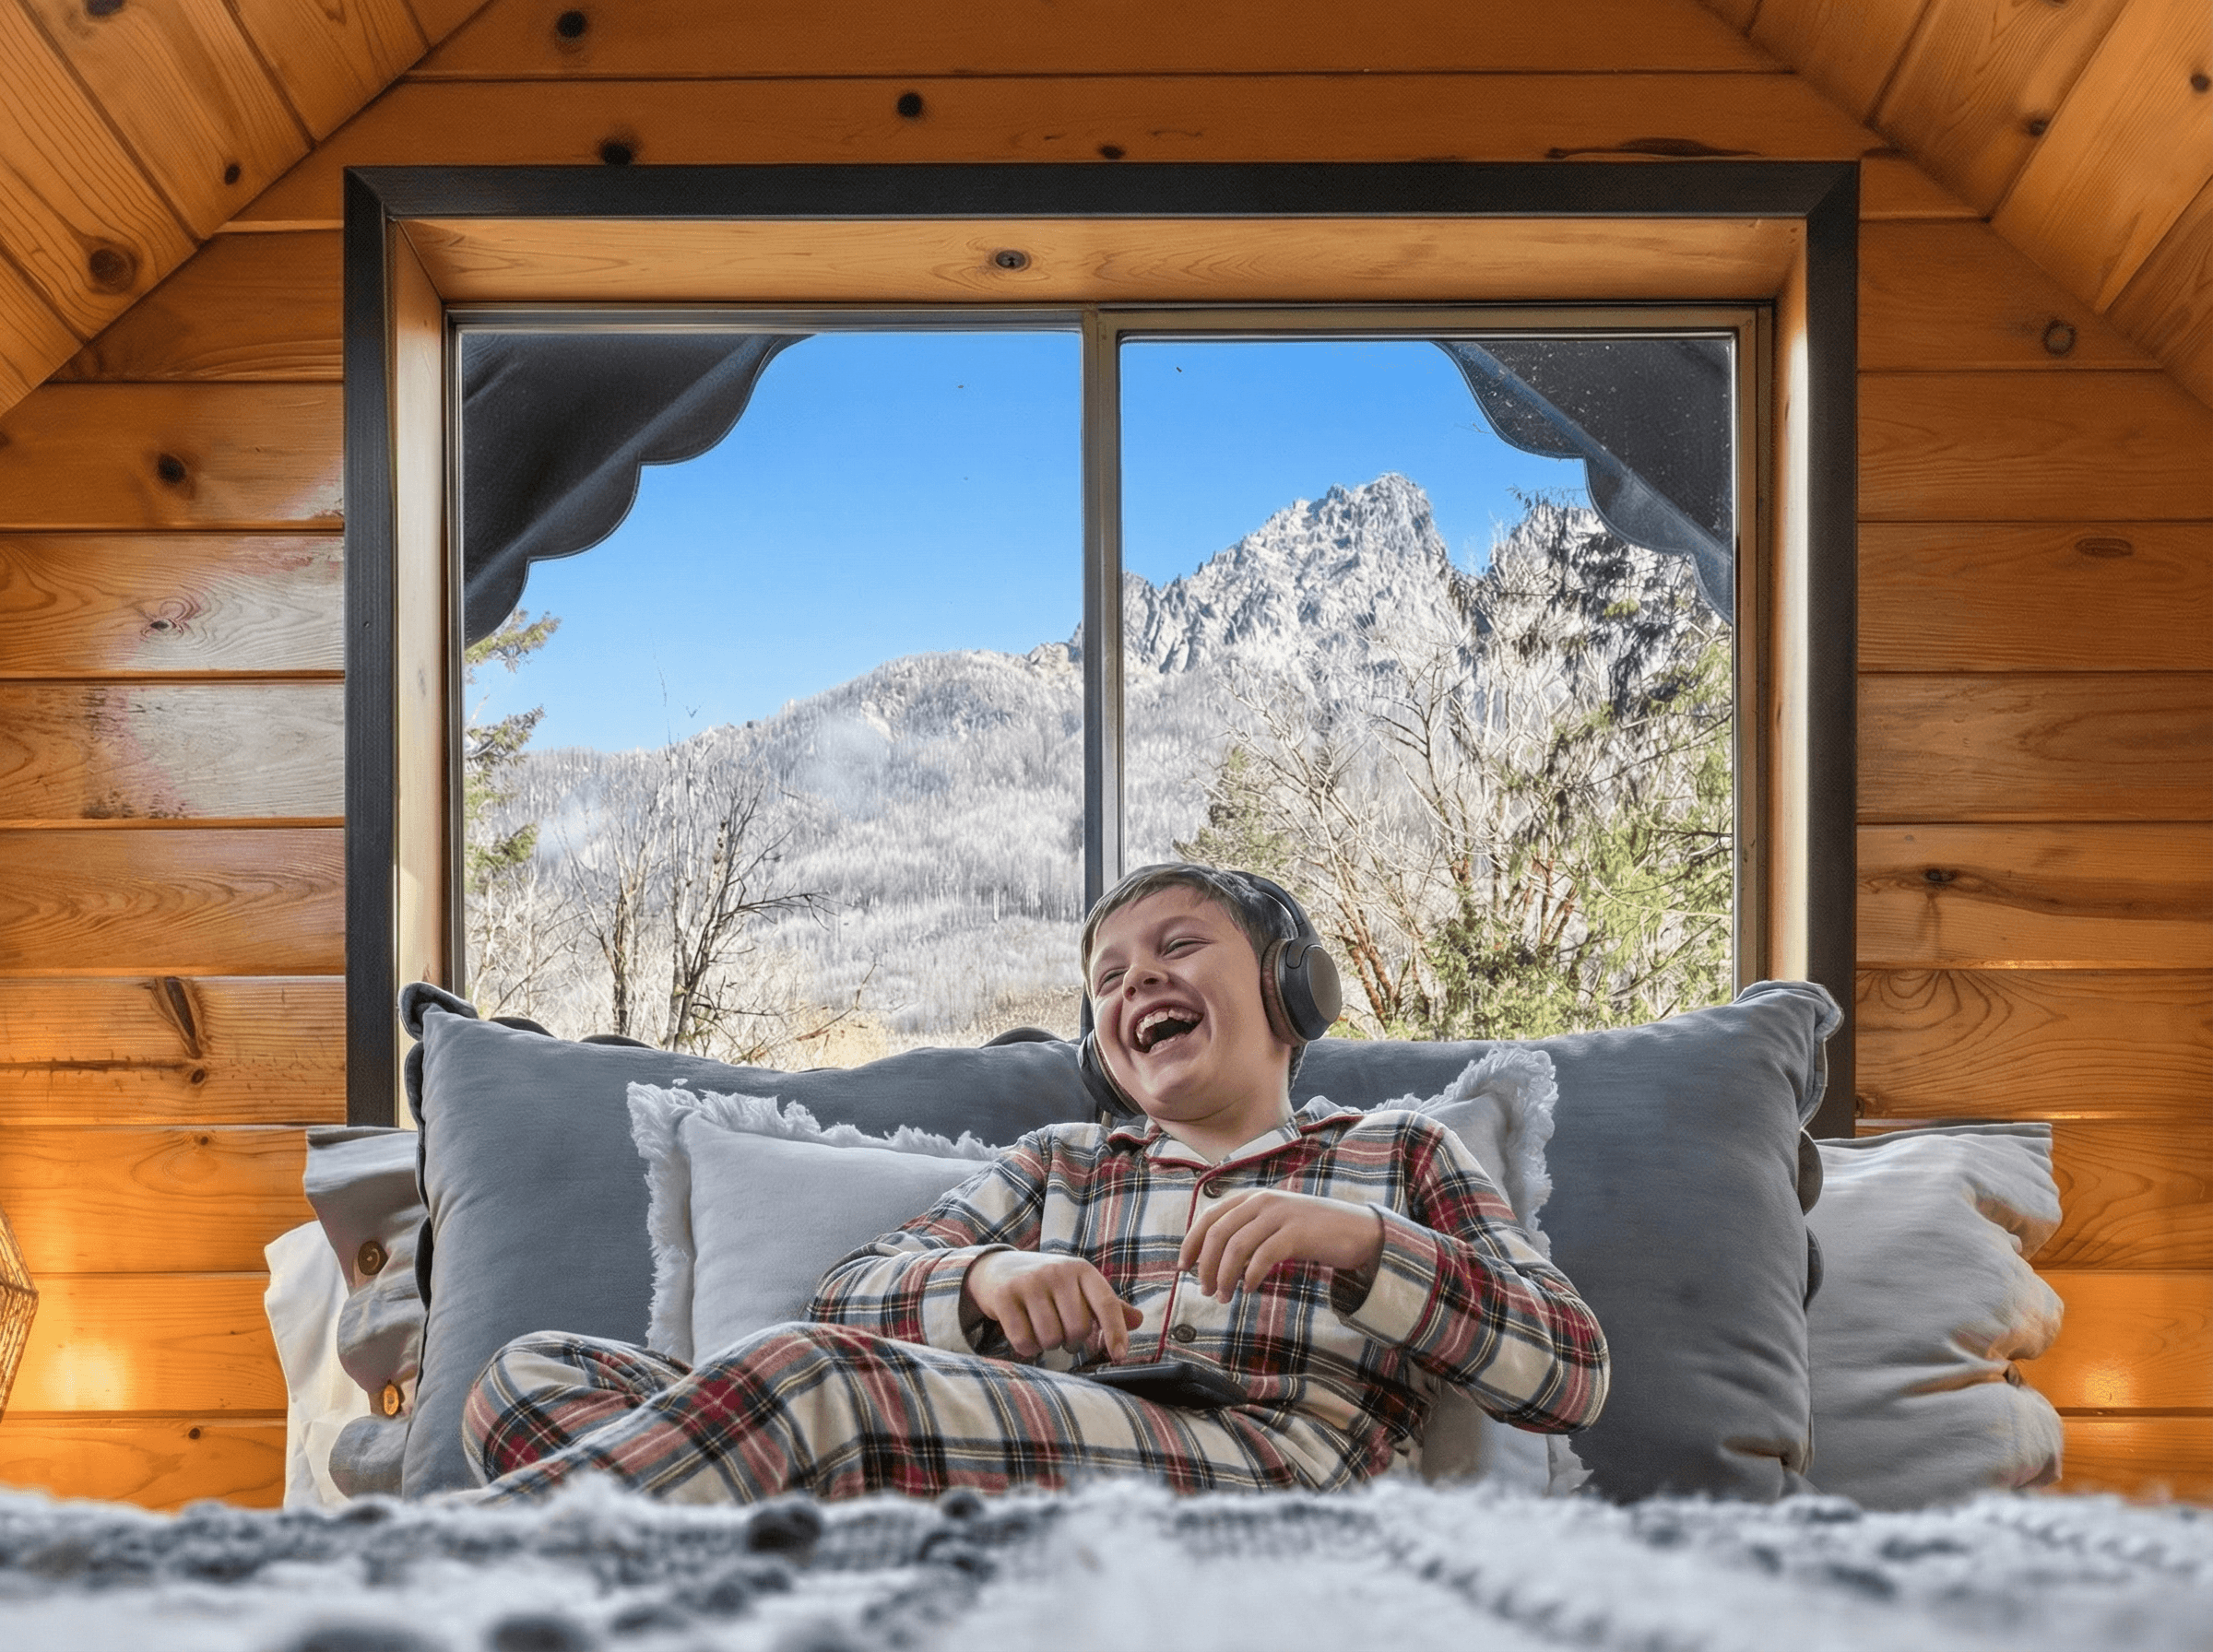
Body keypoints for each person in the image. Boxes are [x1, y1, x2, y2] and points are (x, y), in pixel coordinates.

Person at [463, 863, 1609, 1504]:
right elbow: (845, 1296)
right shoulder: (1060, 1164)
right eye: (1108, 976)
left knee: (807, 1384)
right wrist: (985, 1277)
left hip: (1270, 1471)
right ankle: (789, 1588)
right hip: (990, 1454)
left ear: (1291, 990)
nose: (1135, 981)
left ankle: (428, 1600)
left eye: (1177, 948)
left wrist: (1368, 1249)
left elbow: (1570, 1373)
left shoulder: (1399, 1156)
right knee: (530, 1374)